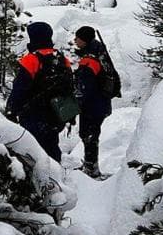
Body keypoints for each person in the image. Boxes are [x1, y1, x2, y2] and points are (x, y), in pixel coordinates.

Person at [6, 21, 72, 162]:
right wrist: (69, 114)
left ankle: (41, 173)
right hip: (57, 113)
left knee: (33, 151)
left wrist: (11, 110)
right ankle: (56, 172)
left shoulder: (31, 60)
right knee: (52, 145)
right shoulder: (62, 59)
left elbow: (19, 89)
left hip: (34, 114)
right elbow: (69, 88)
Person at [73, 26, 112, 178]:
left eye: (78, 38)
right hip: (101, 102)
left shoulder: (89, 60)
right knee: (91, 135)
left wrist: (77, 103)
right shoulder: (99, 53)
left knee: (88, 135)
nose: (75, 40)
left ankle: (91, 167)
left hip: (92, 105)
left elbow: (85, 88)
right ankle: (90, 165)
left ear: (84, 40)